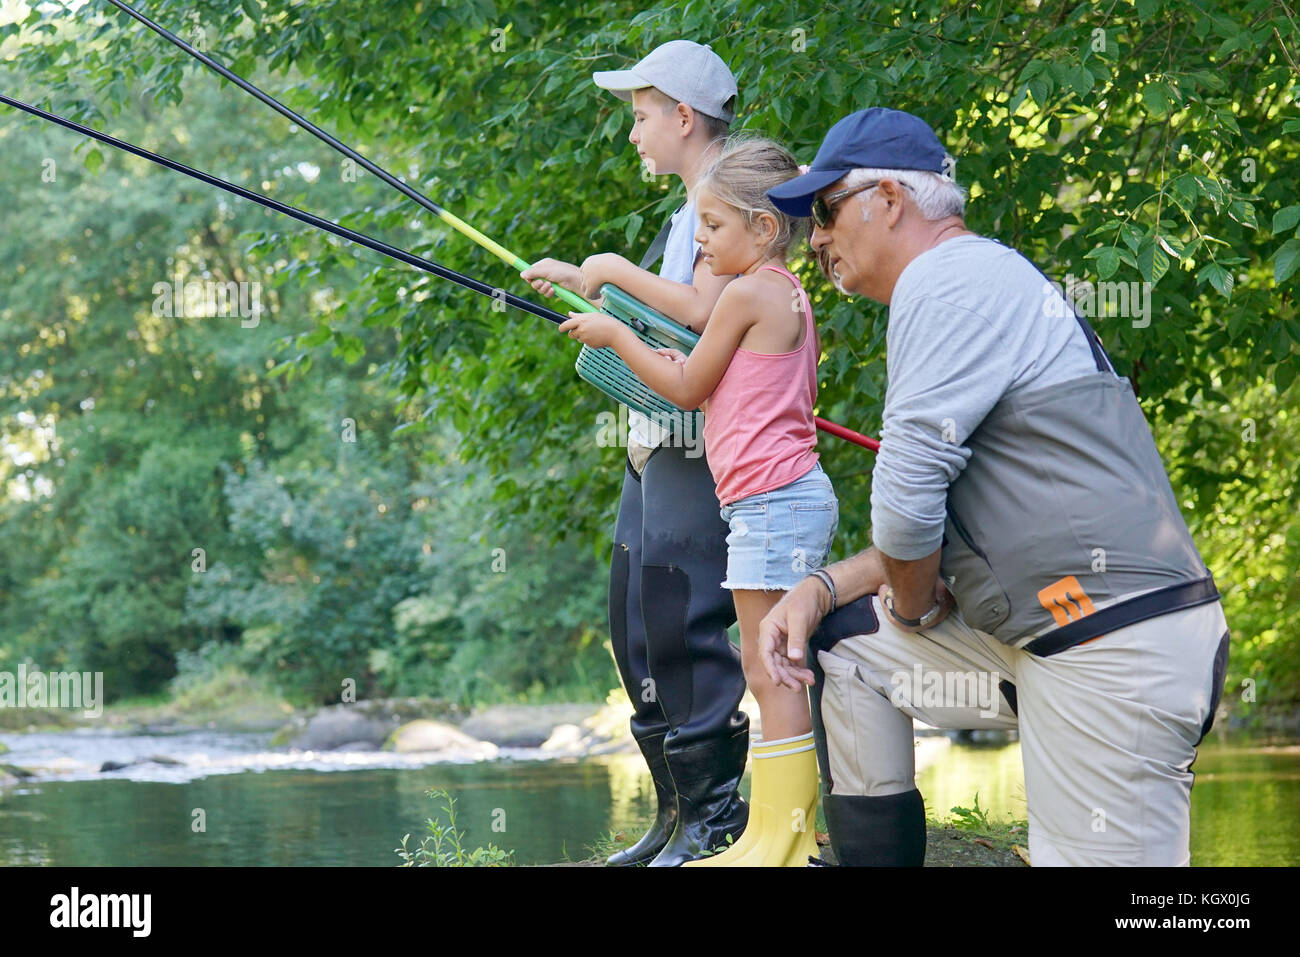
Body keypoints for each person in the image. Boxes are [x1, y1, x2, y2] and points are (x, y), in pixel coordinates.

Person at [757, 107, 1231, 867]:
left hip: (1111, 648)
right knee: (849, 647)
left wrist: (911, 603)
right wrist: (823, 586)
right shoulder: (971, 279)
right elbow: (930, 523)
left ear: (889, 200)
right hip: (1047, 643)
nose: (814, 236)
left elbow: (909, 512)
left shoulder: (949, 282)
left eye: (825, 208)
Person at [561, 137, 837, 867]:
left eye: (713, 227)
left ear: (764, 228)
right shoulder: (779, 292)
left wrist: (617, 332)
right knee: (769, 665)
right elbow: (714, 379)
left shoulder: (750, 292)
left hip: (772, 505)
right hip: (775, 502)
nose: (702, 242)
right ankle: (779, 834)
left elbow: (683, 390)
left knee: (769, 668)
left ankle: (784, 839)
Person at [521, 40, 750, 866]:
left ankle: (716, 821)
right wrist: (590, 281)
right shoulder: (687, 209)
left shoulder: (726, 202)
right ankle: (673, 814)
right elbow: (668, 316)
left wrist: (612, 275)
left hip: (694, 444)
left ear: (684, 117)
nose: (634, 135)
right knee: (634, 624)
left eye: (641, 116)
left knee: (681, 623)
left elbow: (703, 318)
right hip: (653, 443)